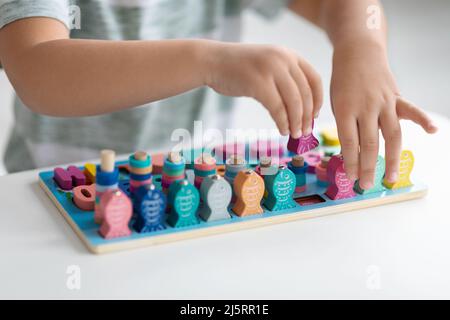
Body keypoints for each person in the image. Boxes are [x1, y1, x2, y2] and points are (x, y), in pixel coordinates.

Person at [0, 0, 437, 190]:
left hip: (203, 185)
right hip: (58, 191)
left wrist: (363, 47)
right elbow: (37, 69)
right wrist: (209, 62)